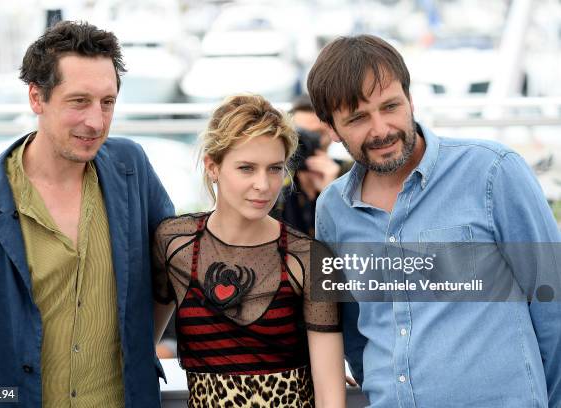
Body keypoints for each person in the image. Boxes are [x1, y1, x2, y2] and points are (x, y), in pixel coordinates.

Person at [308, 35, 561, 407]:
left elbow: (552, 305)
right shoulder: (330, 210)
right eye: (359, 118)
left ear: (410, 100)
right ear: (330, 128)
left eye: (390, 106)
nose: (381, 130)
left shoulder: (493, 172)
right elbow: (351, 331)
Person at [0, 21, 174, 407]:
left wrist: (138, 351)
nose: (96, 121)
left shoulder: (131, 168)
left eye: (107, 102)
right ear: (37, 98)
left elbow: (171, 268)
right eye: (78, 101)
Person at [152, 94, 346, 407]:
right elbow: (142, 344)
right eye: (246, 168)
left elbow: (330, 396)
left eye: (274, 169)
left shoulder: (310, 257)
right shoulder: (174, 243)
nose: (263, 184)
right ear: (212, 167)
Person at [274, 96, 352, 237]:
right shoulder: (275, 177)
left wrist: (333, 192)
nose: (307, 142)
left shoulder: (352, 175)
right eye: (300, 134)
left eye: (317, 134)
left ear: (332, 134)